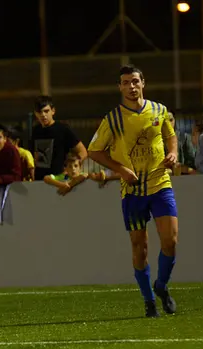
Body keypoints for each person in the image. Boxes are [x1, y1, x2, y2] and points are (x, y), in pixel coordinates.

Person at [87, 65, 178, 318]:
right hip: (133, 191)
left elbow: (170, 135)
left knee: (170, 241)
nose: (131, 86)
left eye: (135, 81)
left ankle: (161, 286)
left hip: (160, 184)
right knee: (140, 247)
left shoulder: (159, 110)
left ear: (143, 83)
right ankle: (149, 300)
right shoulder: (113, 119)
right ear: (119, 87)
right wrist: (121, 170)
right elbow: (94, 151)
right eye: (126, 82)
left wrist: (173, 153)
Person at [30, 95, 87, 180]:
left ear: (53, 111)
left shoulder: (62, 129)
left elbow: (82, 152)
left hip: (60, 180)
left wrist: (71, 169)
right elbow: (32, 157)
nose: (43, 115)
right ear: (35, 113)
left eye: (46, 111)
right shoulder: (35, 131)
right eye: (40, 112)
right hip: (40, 180)